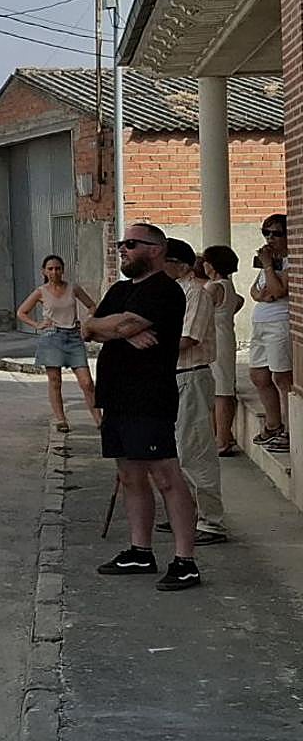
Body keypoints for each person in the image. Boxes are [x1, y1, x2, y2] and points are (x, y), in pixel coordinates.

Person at [83, 223, 200, 591]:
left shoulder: (164, 290)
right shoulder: (119, 289)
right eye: (122, 244)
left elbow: (120, 326)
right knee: (130, 476)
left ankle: (185, 560)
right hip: (116, 396)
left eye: (130, 244)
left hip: (149, 396)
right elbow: (87, 328)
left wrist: (117, 328)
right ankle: (140, 550)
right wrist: (112, 327)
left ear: (155, 249)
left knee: (165, 475)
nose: (123, 250)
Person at [161, 238, 227, 546]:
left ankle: (211, 520)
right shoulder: (173, 293)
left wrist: (150, 349)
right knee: (176, 448)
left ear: (179, 264)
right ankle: (187, 511)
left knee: (195, 448)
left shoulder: (197, 294)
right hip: (173, 377)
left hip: (191, 374)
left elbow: (189, 338)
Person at [15, 254, 101, 431]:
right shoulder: (41, 291)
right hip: (52, 337)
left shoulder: (73, 288)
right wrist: (37, 325)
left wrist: (87, 322)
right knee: (55, 381)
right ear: (44, 271)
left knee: (86, 382)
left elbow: (92, 306)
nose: (54, 272)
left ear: (63, 270)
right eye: (50, 269)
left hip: (73, 337)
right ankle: (61, 419)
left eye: (57, 268)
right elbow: (21, 312)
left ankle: (99, 420)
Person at [249, 213, 291, 454]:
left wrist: (267, 266)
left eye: (276, 233)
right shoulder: (271, 262)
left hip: (279, 324)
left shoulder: (287, 261)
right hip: (261, 323)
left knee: (281, 378)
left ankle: (288, 428)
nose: (270, 238)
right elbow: (256, 292)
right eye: (266, 233)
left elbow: (276, 290)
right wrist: (267, 288)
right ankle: (273, 423)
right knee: (258, 375)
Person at [201, 245, 244, 456]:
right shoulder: (228, 285)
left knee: (220, 390)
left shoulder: (213, 287)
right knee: (226, 385)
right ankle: (225, 434)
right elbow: (239, 302)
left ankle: (222, 439)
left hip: (216, 339)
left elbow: (200, 309)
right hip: (226, 335)